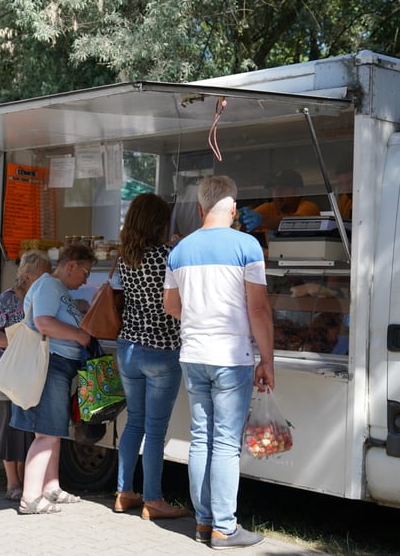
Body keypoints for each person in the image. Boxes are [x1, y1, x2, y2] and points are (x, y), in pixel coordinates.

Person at [164, 175, 275, 549]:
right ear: (232, 208)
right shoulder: (247, 245)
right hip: (231, 357)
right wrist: (267, 360)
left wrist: (200, 320)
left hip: (193, 354)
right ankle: (225, 528)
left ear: (199, 209)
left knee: (201, 439)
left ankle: (203, 522)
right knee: (226, 443)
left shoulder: (178, 251)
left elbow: (171, 306)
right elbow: (258, 308)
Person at [113, 193, 188, 520]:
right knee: (156, 430)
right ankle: (154, 499)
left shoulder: (125, 256)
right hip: (161, 350)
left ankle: (124, 492)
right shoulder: (169, 255)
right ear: (159, 223)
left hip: (128, 348)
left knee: (134, 423)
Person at [10, 244, 95, 514]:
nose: (86, 280)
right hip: (52, 365)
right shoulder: (49, 285)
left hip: (57, 365)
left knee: (53, 432)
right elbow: (43, 322)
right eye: (85, 271)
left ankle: (51, 487)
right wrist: (79, 335)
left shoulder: (54, 288)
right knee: (46, 433)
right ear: (71, 265)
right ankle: (31, 497)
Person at [0, 250, 51, 501]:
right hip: (6, 372)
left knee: (24, 428)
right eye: (43, 274)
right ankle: (12, 482)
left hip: (27, 371)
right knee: (8, 427)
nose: (47, 279)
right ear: (28, 276)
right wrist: (18, 343)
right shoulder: (8, 300)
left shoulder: (39, 299)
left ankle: (24, 478)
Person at [239, 169, 320, 232]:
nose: (277, 194)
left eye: (282, 189)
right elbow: (243, 229)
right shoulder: (269, 208)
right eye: (274, 189)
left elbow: (296, 222)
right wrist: (241, 219)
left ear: (298, 192)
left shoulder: (309, 208)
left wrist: (261, 220)